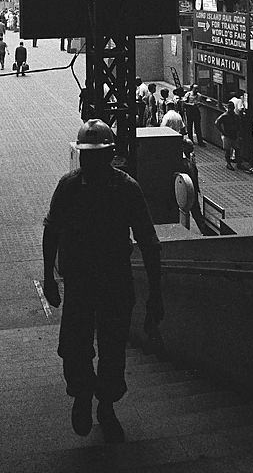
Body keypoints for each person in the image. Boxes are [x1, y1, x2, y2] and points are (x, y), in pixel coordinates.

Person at [42, 119, 163, 443]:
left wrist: (157, 293)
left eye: (94, 156)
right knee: (75, 347)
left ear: (108, 156)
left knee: (110, 350)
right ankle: (86, 395)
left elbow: (149, 242)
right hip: (90, 282)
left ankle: (104, 403)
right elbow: (51, 230)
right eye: (86, 156)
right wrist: (48, 278)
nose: (89, 163)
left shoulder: (119, 188)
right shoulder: (76, 187)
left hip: (108, 283)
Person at [215, 101, 239, 170]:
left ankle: (238, 163)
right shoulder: (224, 116)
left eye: (232, 108)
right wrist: (222, 132)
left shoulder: (235, 116)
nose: (230, 110)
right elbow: (217, 123)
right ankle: (228, 163)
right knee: (227, 150)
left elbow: (238, 125)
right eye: (229, 108)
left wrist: (238, 134)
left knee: (237, 148)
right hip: (227, 135)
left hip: (234, 135)